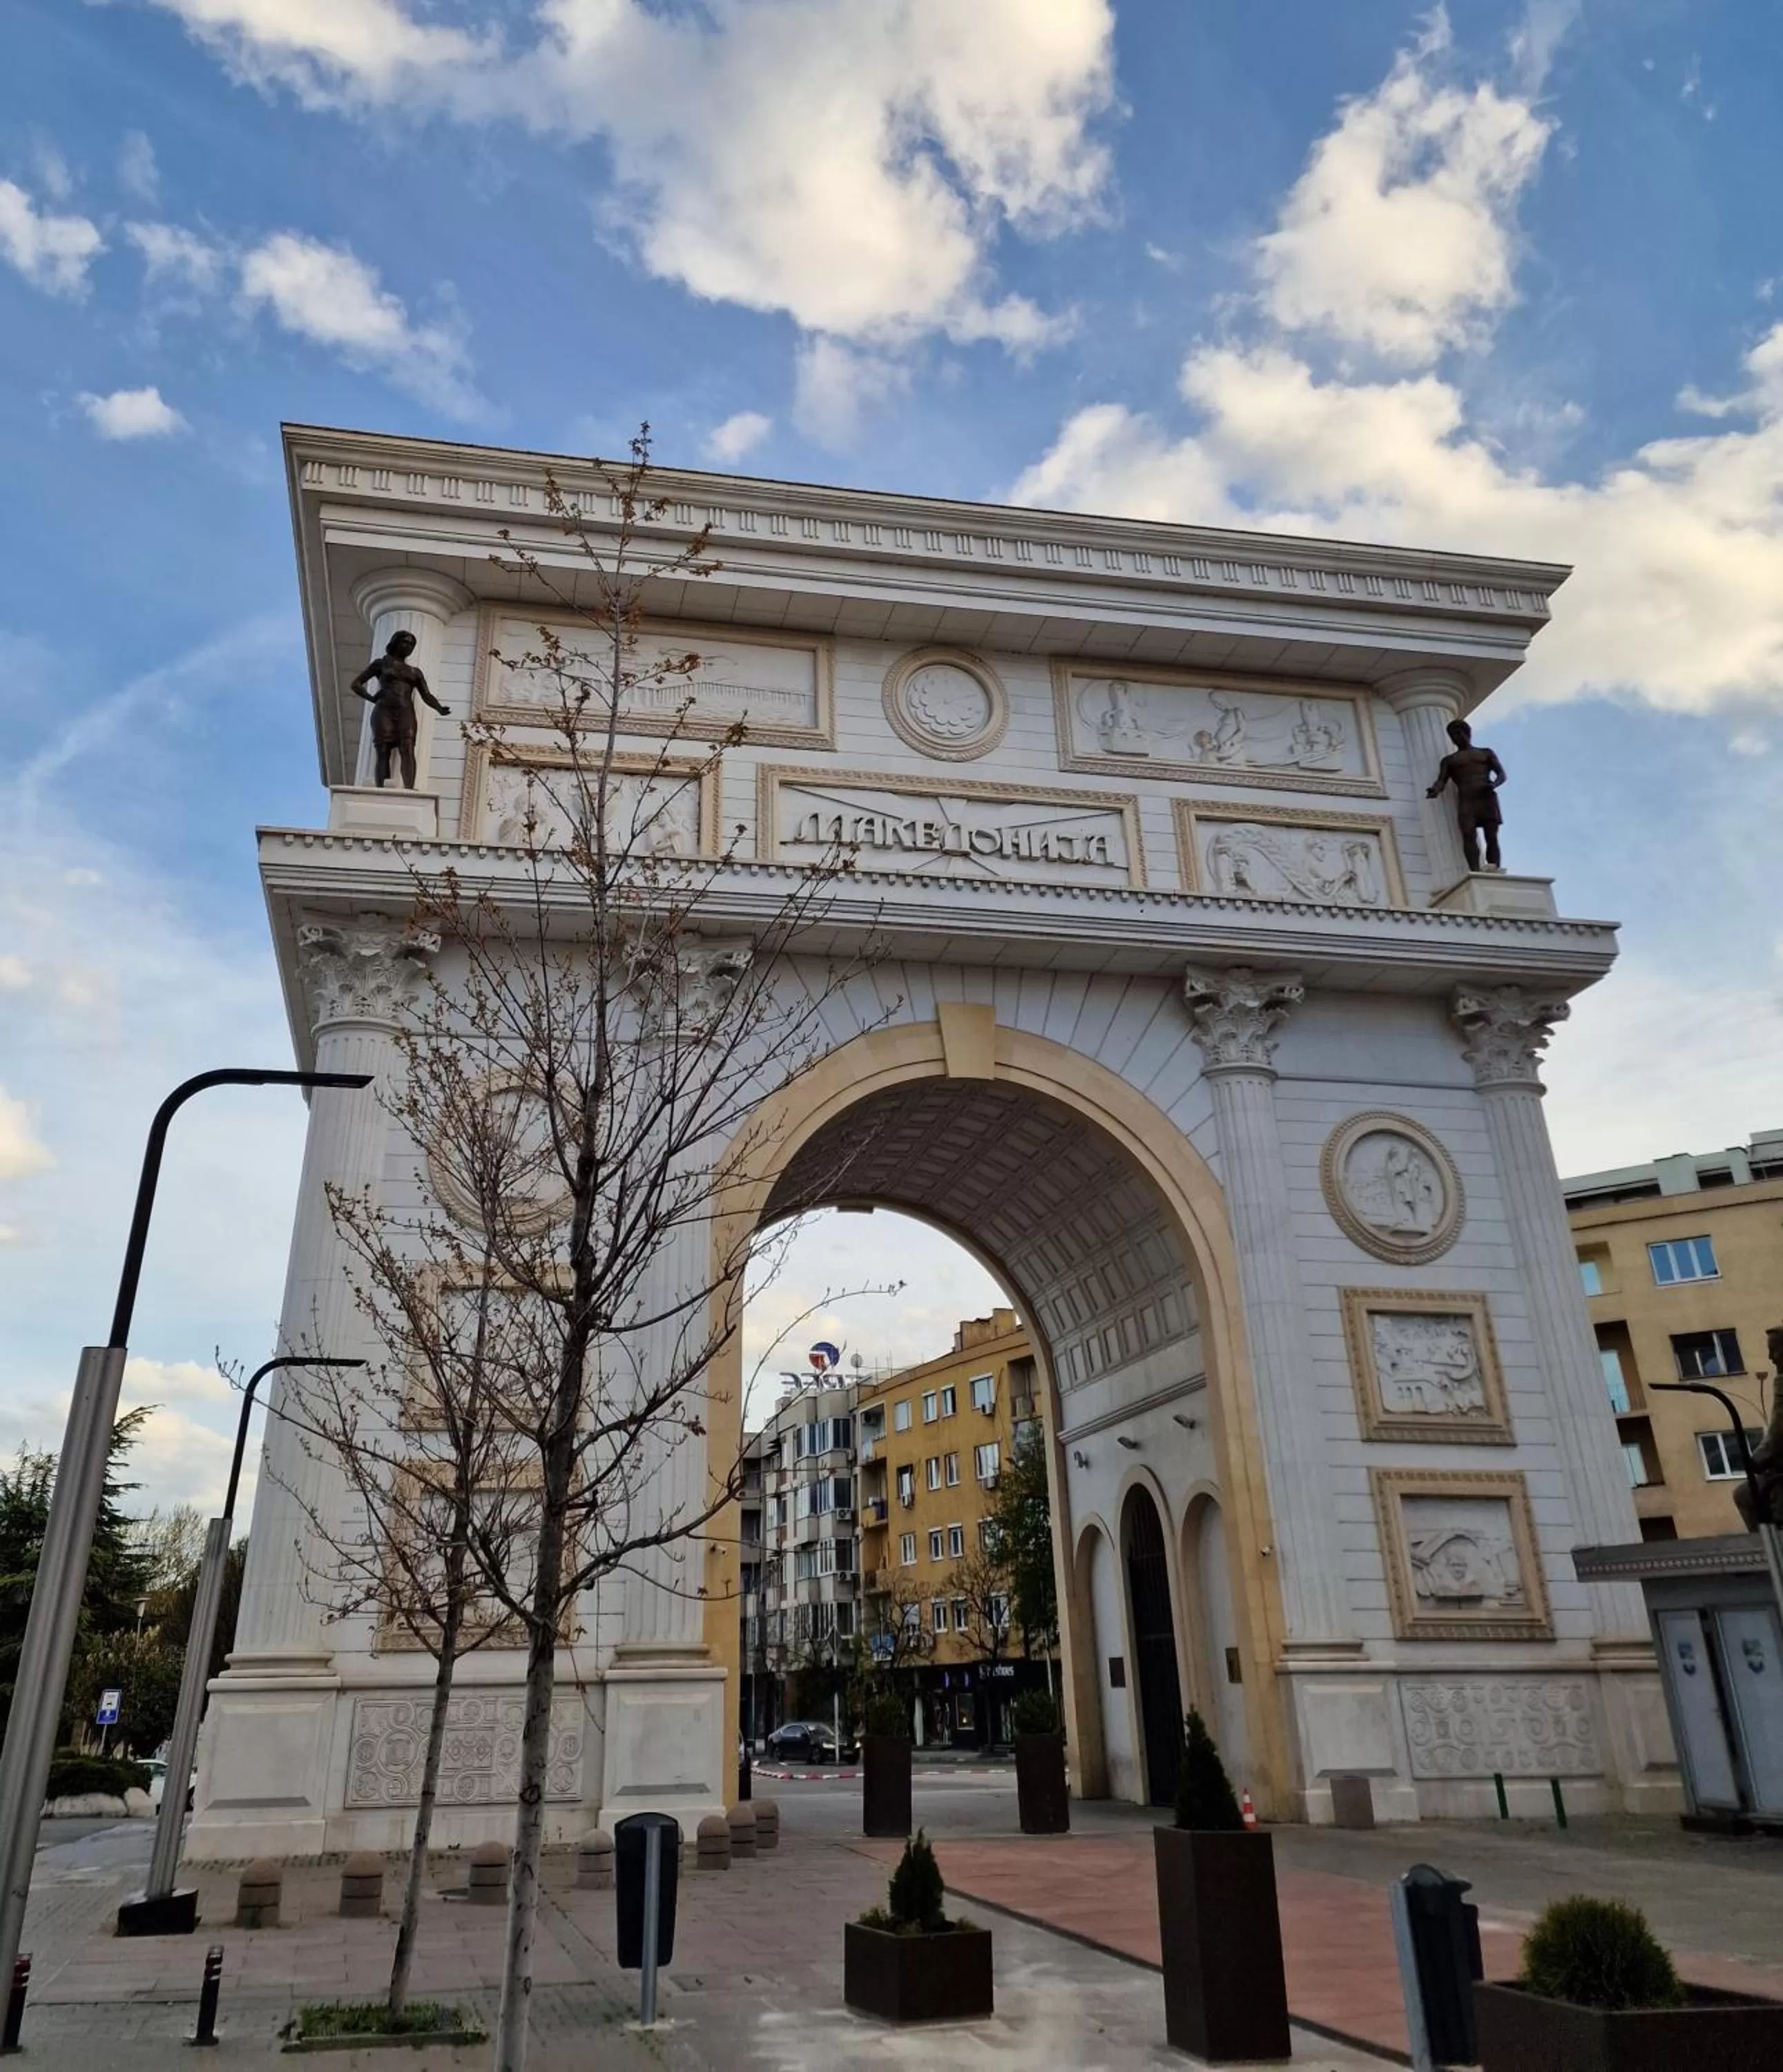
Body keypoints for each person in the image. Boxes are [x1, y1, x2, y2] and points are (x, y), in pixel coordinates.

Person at [349, 629, 450, 789]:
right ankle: (381, 790)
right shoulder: (380, 664)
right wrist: (372, 698)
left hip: (405, 711)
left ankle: (410, 789)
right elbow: (356, 684)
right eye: (405, 642)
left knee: (408, 748)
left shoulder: (414, 672)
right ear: (395, 643)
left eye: (412, 645)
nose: (408, 647)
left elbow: (426, 695)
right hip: (384, 711)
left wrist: (439, 708)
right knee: (383, 750)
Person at [1425, 718, 1507, 871]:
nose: (1458, 737)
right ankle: (1475, 871)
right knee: (1469, 834)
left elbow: (1501, 774)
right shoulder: (1450, 760)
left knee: (1491, 835)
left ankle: (1495, 868)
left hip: (1486, 796)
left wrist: (1493, 785)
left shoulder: (1485, 753)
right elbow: (1442, 780)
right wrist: (1435, 790)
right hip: (1467, 799)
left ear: (1467, 733)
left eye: (1459, 732)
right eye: (1454, 735)